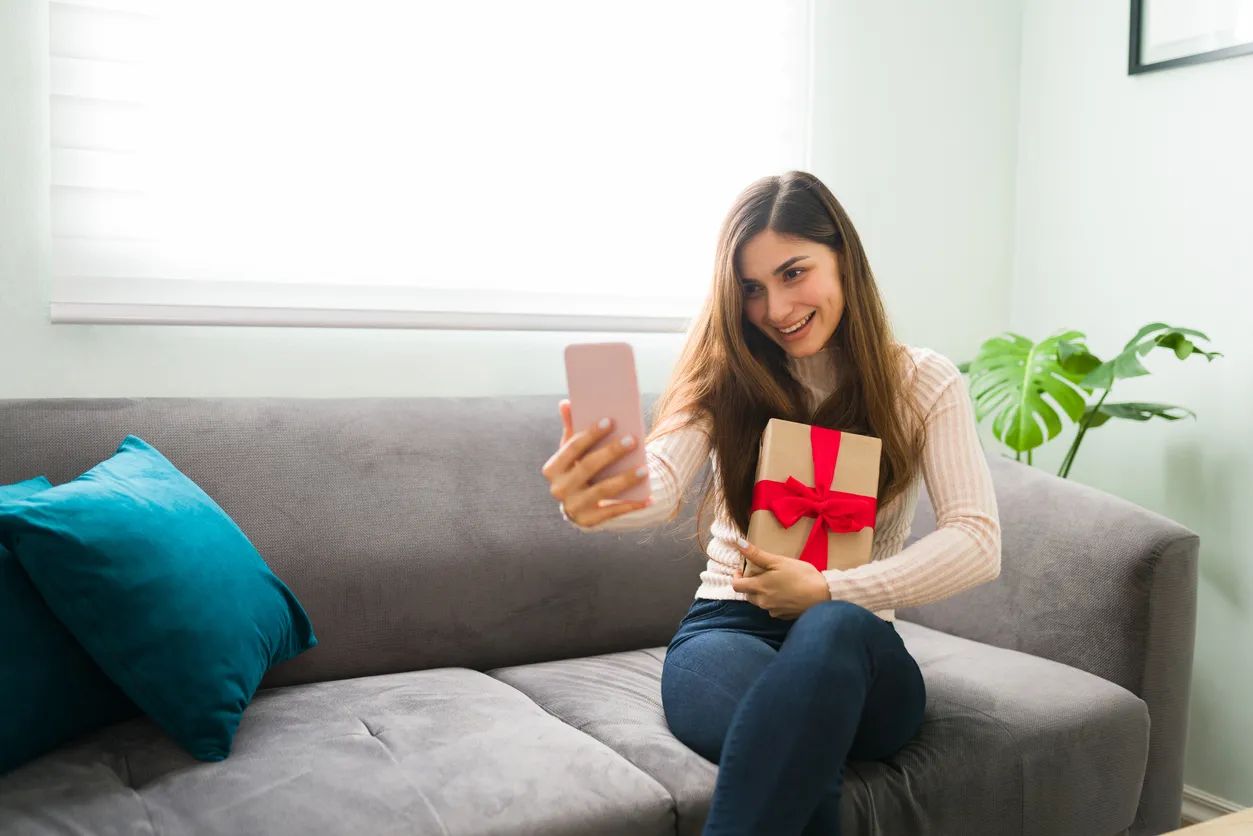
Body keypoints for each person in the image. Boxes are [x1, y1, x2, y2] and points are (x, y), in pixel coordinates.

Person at [541, 170, 1001, 835]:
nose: (776, 309)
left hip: (855, 642)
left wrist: (830, 590)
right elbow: (661, 481)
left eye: (793, 273)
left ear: (842, 256)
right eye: (751, 289)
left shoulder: (922, 382)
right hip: (728, 630)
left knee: (832, 628)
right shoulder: (725, 375)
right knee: (793, 742)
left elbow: (978, 540)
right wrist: (599, 498)